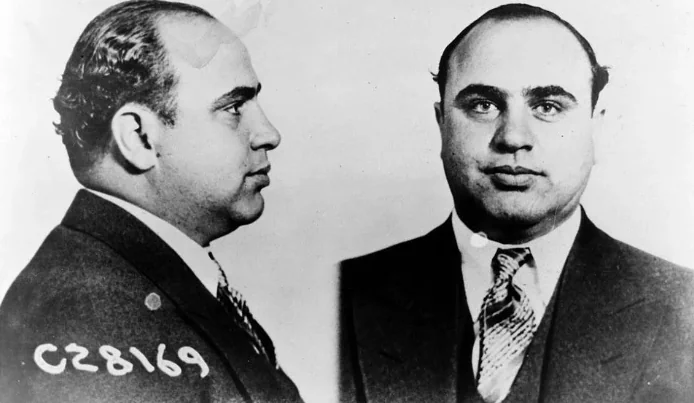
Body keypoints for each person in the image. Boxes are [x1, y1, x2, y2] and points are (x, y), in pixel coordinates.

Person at [339, 3, 694, 403]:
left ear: (597, 129)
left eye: (548, 106)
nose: (513, 137)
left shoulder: (685, 306)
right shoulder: (344, 297)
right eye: (483, 105)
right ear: (441, 125)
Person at [0, 1, 303, 402]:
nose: (269, 134)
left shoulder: (117, 284)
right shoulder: (92, 313)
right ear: (139, 138)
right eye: (233, 108)